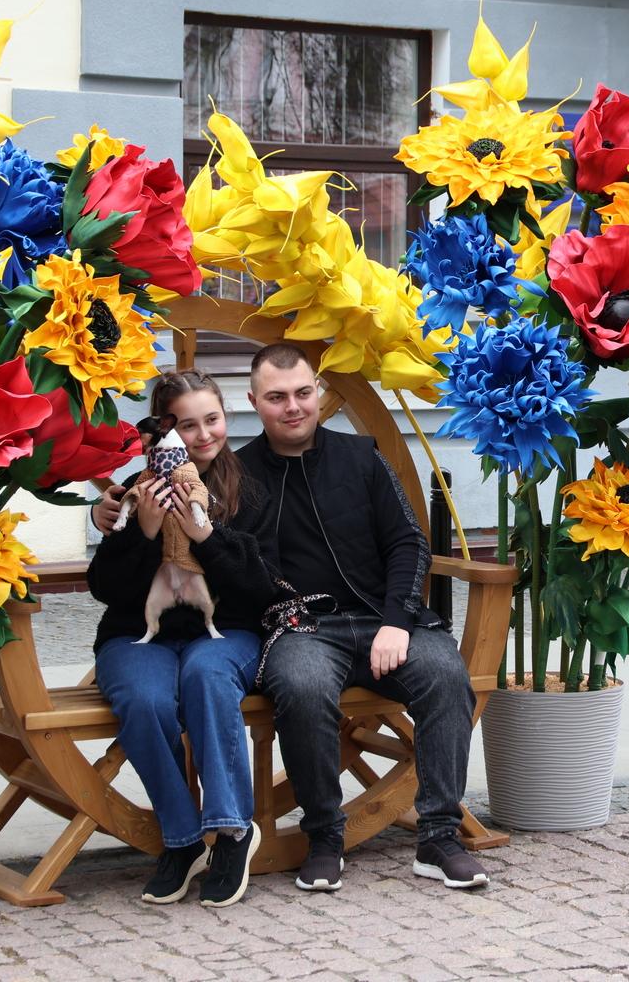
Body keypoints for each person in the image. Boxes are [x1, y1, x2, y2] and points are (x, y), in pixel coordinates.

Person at [235, 342, 488, 892]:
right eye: (277, 397)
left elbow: (409, 543)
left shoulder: (361, 456)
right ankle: (325, 835)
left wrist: (398, 620)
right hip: (301, 630)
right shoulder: (237, 476)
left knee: (446, 676)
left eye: (303, 393)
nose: (293, 406)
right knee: (300, 686)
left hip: (384, 621)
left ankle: (439, 836)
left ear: (320, 394)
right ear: (255, 401)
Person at [87, 369, 282, 909]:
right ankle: (182, 838)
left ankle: (232, 831)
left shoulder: (253, 493)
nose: (202, 436)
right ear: (164, 430)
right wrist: (143, 533)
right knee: (145, 698)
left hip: (225, 632)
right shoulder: (135, 489)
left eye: (212, 420)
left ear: (227, 417)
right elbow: (106, 589)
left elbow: (260, 589)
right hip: (139, 634)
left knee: (205, 674)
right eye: (187, 425)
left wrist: (207, 537)